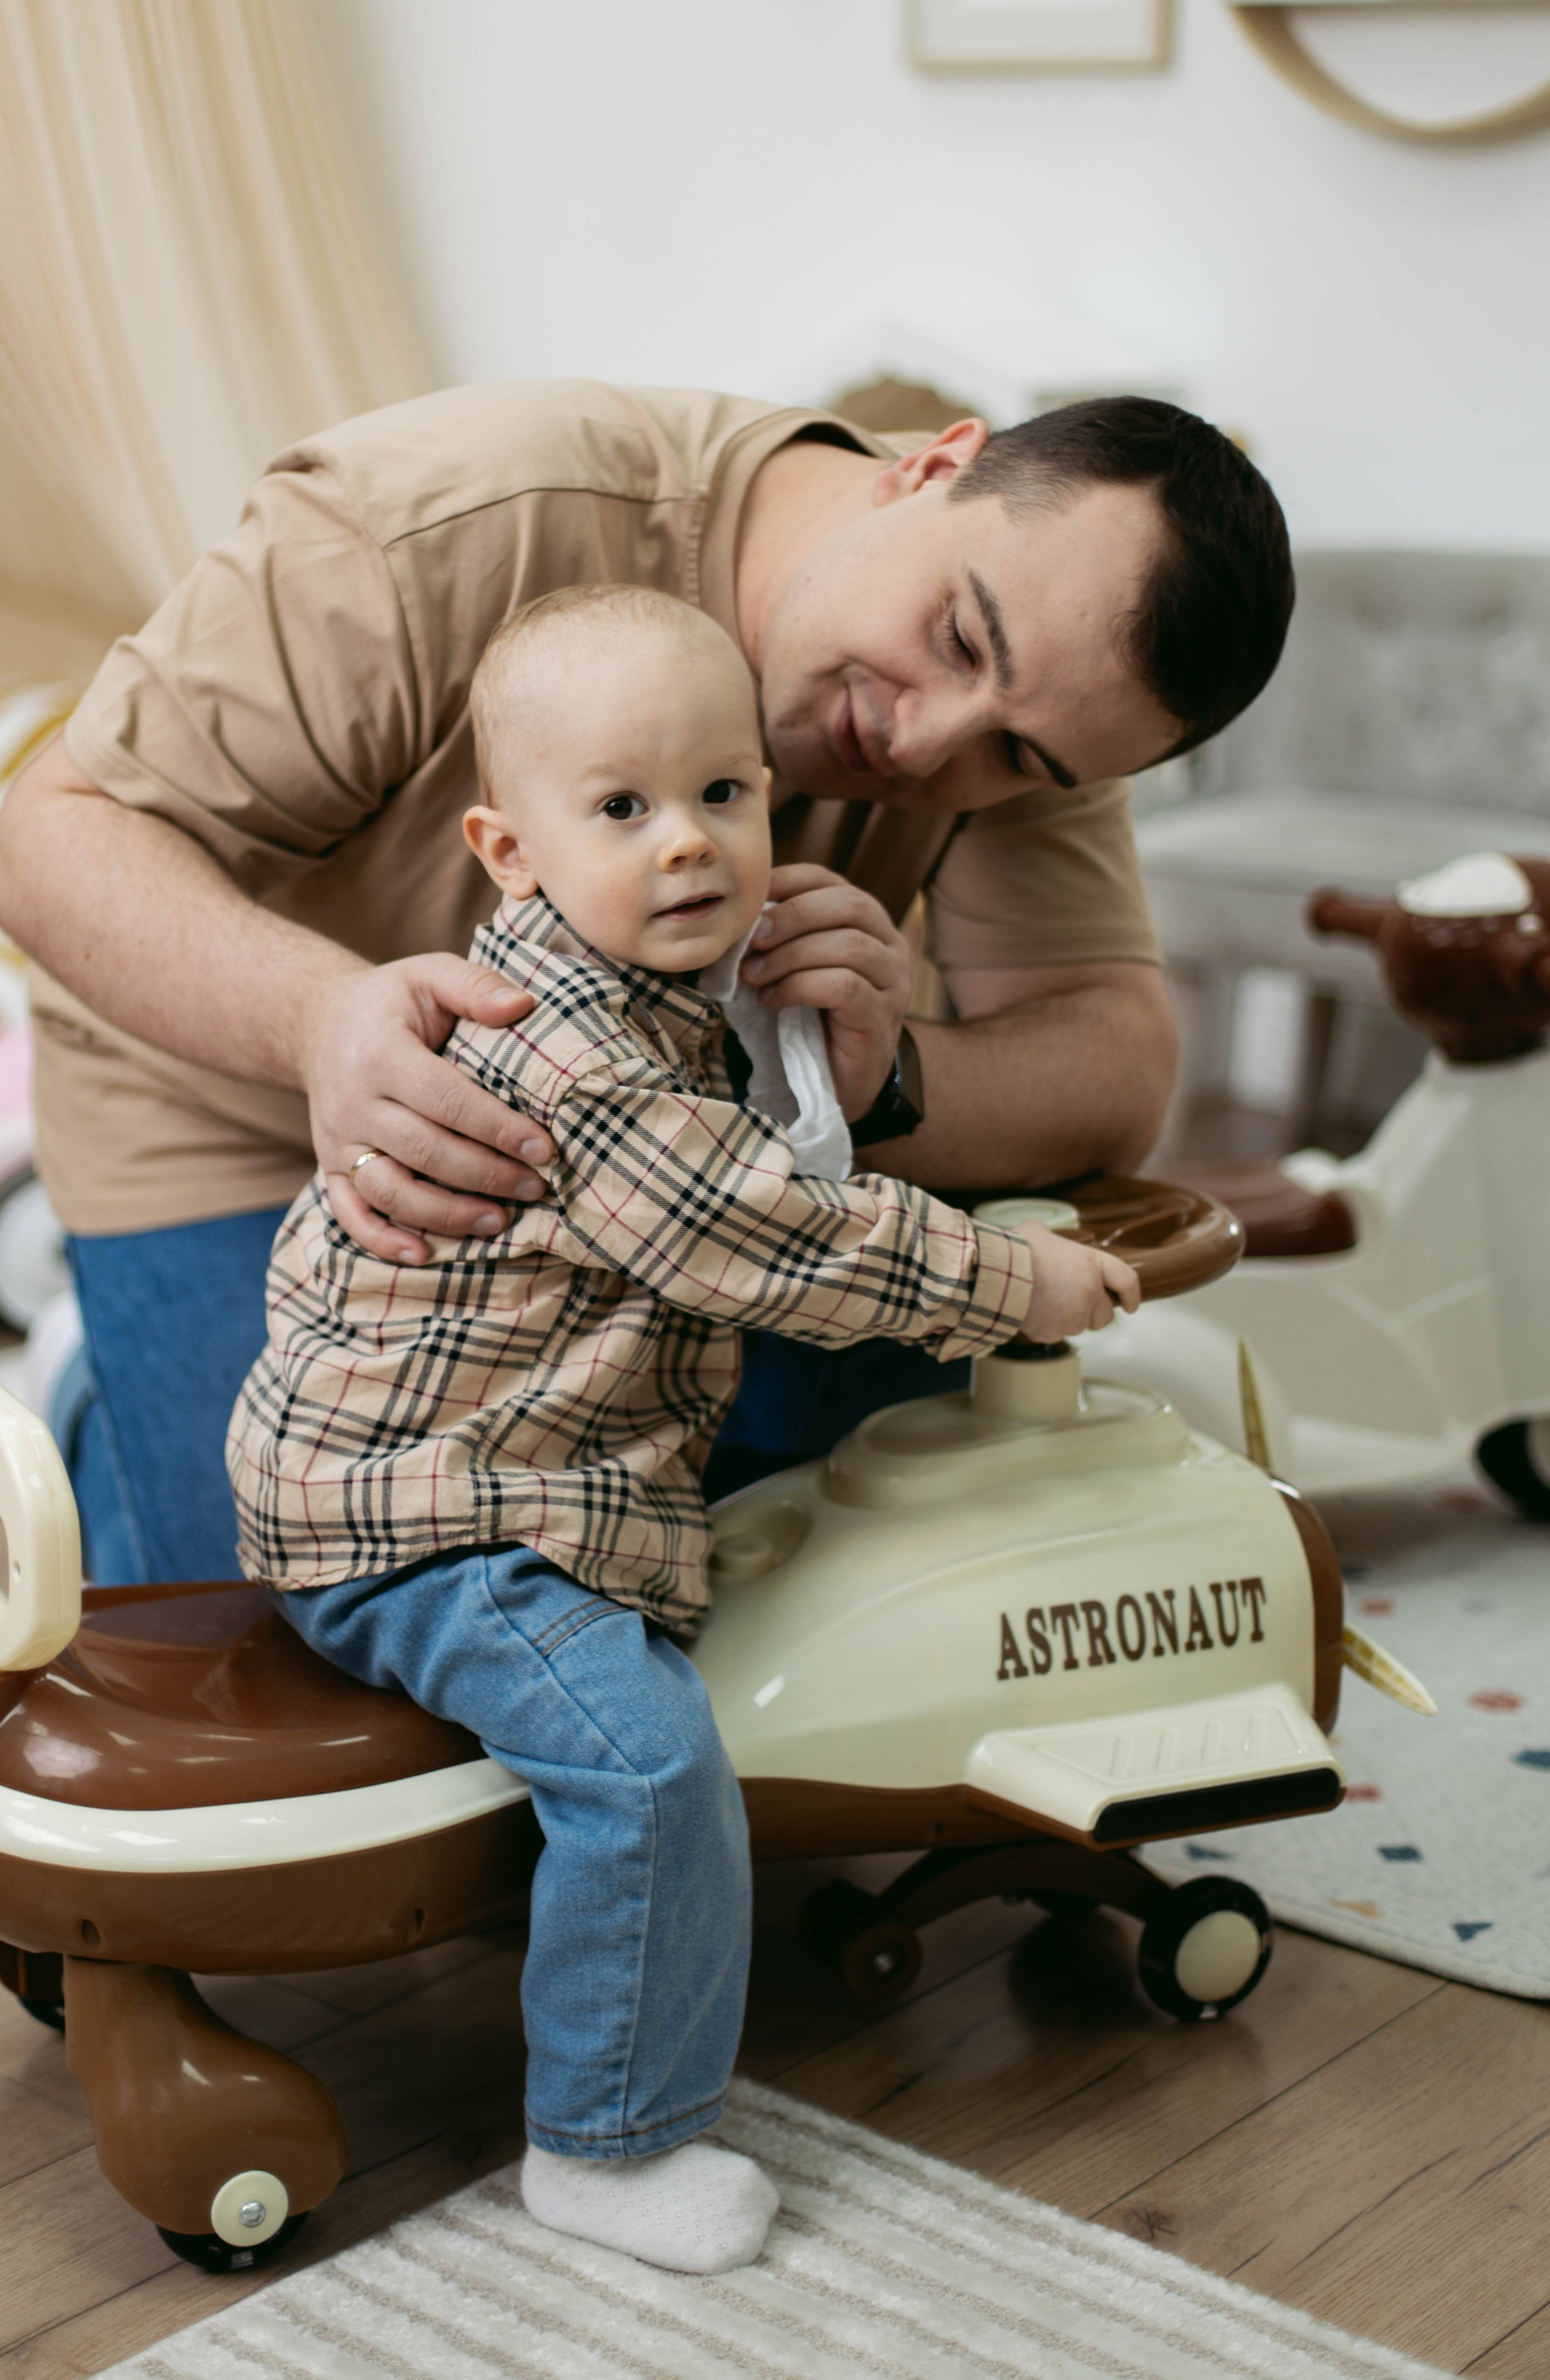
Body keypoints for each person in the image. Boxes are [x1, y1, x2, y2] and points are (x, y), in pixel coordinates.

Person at [0, 383, 1292, 1580]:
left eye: (1014, 756)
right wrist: (320, 1020)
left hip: (669, 1172)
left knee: (804, 1566)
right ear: (927, 466)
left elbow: (1119, 1065)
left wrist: (883, 1074)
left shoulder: (1059, 679)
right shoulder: (439, 522)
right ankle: (108, 1393)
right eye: (954, 636)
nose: (923, 740)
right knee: (337, 1613)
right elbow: (47, 838)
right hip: (252, 1123)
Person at [229, 584, 1138, 2275]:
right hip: (437, 1508)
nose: (689, 847)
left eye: (724, 794)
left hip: (482, 1459)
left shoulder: (654, 996)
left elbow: (781, 1159)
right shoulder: (576, 1061)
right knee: (647, 1767)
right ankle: (611, 2145)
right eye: (624, 809)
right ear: (508, 851)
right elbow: (778, 1238)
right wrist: (1011, 1280)